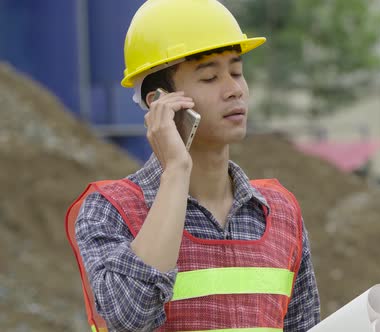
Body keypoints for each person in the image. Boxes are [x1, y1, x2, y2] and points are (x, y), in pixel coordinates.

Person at [65, 0, 321, 331]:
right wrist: (175, 171)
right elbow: (129, 317)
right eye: (210, 77)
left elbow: (304, 324)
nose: (234, 90)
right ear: (159, 102)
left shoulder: (281, 213)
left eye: (237, 72)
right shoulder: (111, 210)